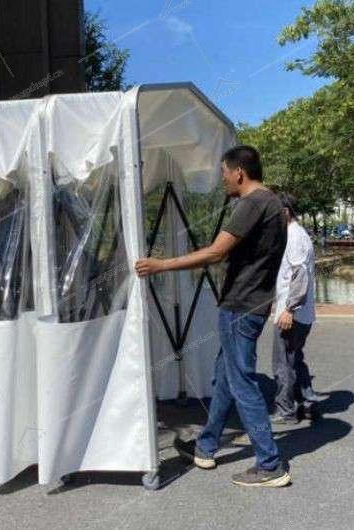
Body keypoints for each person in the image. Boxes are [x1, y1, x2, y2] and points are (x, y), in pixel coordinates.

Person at [135, 145, 291, 487]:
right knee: (224, 378)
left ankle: (269, 464)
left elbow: (216, 252)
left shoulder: (252, 204)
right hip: (253, 304)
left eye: (224, 173)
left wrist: (161, 265)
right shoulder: (274, 204)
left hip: (240, 307)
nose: (223, 180)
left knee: (242, 383)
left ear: (239, 173)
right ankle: (205, 447)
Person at [270, 191, 322, 425]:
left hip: (292, 313)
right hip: (301, 313)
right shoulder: (297, 235)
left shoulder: (293, 237)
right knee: (295, 358)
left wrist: (289, 309)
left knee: (283, 363)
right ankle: (308, 404)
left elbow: (300, 275)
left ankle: (285, 410)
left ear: (285, 212)